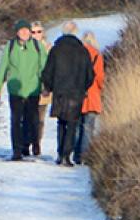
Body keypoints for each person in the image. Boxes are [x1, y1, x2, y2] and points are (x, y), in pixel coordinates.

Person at [41, 21, 95, 167]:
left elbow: (48, 72)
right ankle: (66, 155)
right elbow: (90, 75)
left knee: (61, 123)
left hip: (60, 92)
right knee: (72, 123)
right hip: (76, 93)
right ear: (76, 32)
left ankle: (60, 153)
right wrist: (83, 88)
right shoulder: (83, 51)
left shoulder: (56, 50)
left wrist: (49, 87)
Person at [0, 20, 46, 161]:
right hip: (15, 90)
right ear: (17, 32)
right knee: (16, 120)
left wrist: (45, 86)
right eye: (21, 30)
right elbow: (3, 67)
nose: (25, 33)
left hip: (33, 89)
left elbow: (43, 67)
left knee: (32, 120)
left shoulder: (37, 46)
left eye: (27, 30)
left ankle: (30, 144)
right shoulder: (10, 46)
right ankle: (16, 150)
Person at [76, 31, 105, 164]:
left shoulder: (76, 55)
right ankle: (85, 156)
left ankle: (76, 154)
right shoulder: (97, 56)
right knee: (88, 128)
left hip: (78, 95)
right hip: (92, 96)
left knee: (77, 127)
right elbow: (99, 78)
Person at [27, 21, 49, 156]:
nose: (36, 34)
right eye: (33, 32)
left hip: (43, 89)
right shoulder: (25, 47)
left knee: (40, 119)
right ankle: (26, 142)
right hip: (28, 88)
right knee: (28, 117)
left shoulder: (48, 48)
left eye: (39, 31)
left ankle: (36, 143)